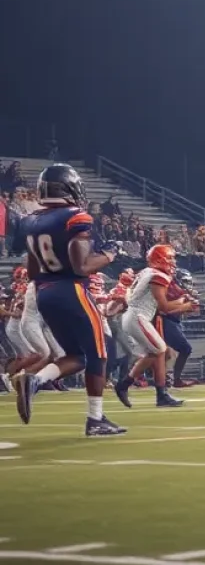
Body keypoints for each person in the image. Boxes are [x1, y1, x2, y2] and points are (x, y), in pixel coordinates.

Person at [9, 164, 125, 436]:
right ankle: (95, 420)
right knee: (98, 352)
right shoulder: (75, 217)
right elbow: (81, 266)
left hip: (44, 292)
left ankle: (35, 381)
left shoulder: (30, 221)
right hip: (71, 289)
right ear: (69, 187)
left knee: (77, 355)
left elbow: (33, 267)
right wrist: (109, 256)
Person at [114, 244, 194, 409]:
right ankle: (124, 384)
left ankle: (160, 395)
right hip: (139, 317)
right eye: (170, 257)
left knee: (157, 353)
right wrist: (183, 304)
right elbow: (164, 307)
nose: (173, 261)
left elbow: (129, 295)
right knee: (160, 349)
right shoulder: (158, 276)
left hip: (136, 315)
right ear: (161, 258)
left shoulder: (146, 272)